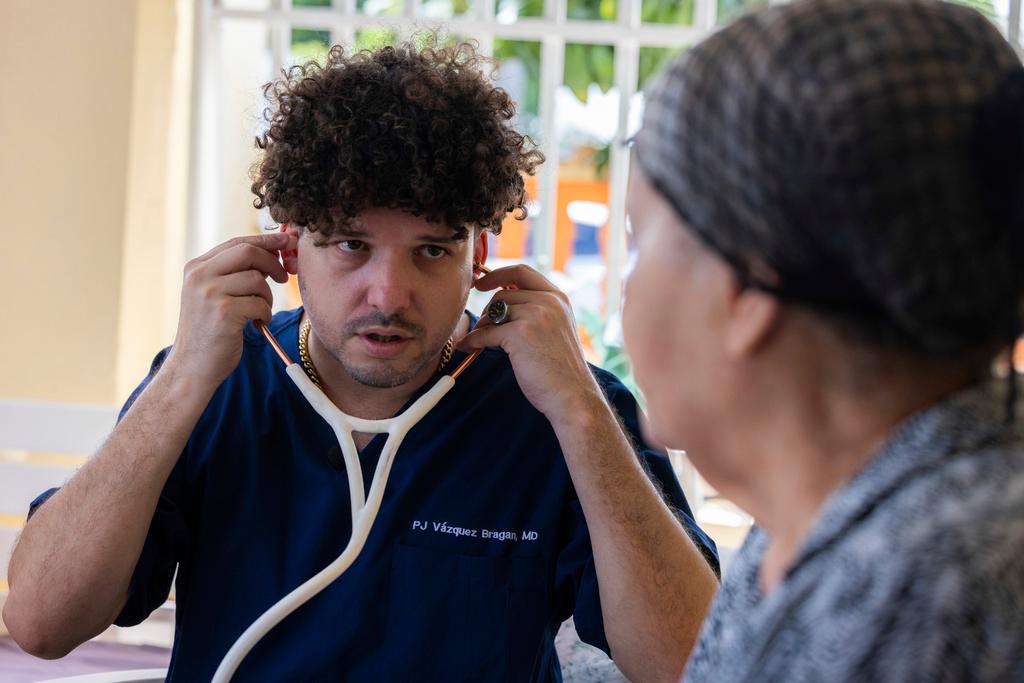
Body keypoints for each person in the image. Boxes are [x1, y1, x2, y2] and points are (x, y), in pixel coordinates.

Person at [3, 39, 719, 682]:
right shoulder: (215, 383)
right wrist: (181, 381)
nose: (389, 293)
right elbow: (40, 623)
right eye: (351, 244)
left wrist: (581, 415)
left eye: (432, 250)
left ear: (479, 257)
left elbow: (697, 664)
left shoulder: (558, 405)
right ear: (288, 245)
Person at [624, 0, 1024, 680]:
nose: (629, 291)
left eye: (639, 242)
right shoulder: (815, 529)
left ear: (746, 285)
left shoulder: (928, 588)